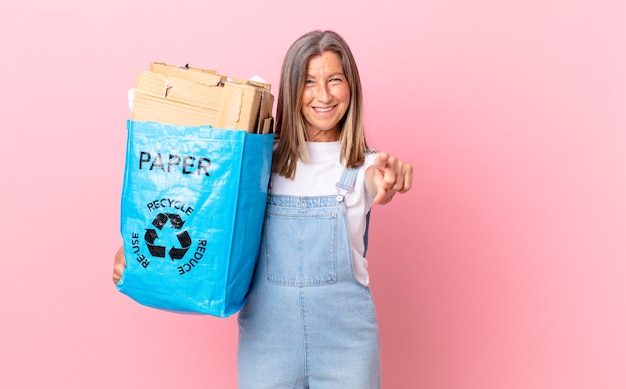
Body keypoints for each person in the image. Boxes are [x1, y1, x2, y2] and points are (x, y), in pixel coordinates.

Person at [113, 30, 413, 388]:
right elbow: (200, 209)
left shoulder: (366, 165)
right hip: (267, 341)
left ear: (352, 88)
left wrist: (391, 180)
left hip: (347, 342)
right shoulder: (257, 159)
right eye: (309, 82)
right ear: (290, 89)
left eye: (335, 80)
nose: (324, 95)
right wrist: (139, 253)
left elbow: (381, 183)